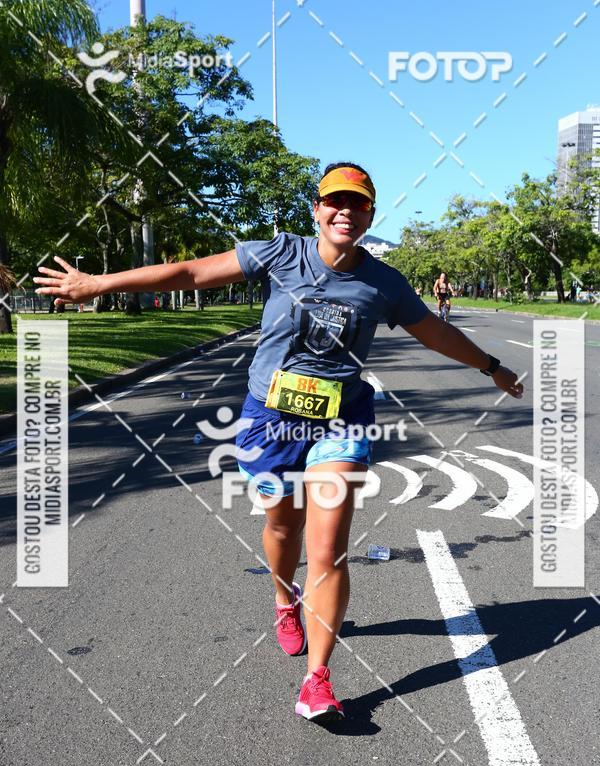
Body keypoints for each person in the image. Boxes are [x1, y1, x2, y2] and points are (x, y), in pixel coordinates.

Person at [33, 162, 524, 724]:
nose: (345, 211)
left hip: (342, 420)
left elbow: (434, 331)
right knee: (283, 527)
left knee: (329, 545)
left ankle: (318, 679)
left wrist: (491, 366)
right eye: (335, 202)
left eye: (358, 204)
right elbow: (191, 274)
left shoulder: (384, 282)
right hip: (270, 419)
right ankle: (284, 598)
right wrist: (99, 284)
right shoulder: (280, 253)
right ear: (316, 209)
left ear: (370, 214)